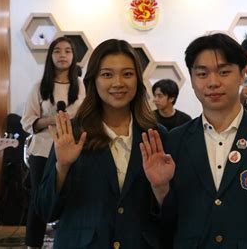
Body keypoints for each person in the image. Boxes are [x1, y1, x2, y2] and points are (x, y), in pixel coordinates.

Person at [140, 33, 247, 248]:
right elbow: (169, 224)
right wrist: (160, 188)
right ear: (191, 79)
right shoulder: (175, 142)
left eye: (224, 72)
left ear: (241, 75)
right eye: (202, 74)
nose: (213, 82)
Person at [35, 39, 167, 249]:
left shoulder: (155, 136)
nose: (118, 83)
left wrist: (161, 188)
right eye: (107, 74)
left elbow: (171, 216)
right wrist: (62, 167)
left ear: (138, 80)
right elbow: (45, 210)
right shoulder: (73, 133)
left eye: (127, 74)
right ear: (93, 80)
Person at [21, 36, 85, 249]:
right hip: (42, 150)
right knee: (39, 201)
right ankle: (33, 245)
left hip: (74, 150)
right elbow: (27, 122)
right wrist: (51, 119)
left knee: (74, 198)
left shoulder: (83, 87)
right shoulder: (39, 86)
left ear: (74, 56)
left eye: (68, 51)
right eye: (57, 51)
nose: (63, 55)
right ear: (50, 56)